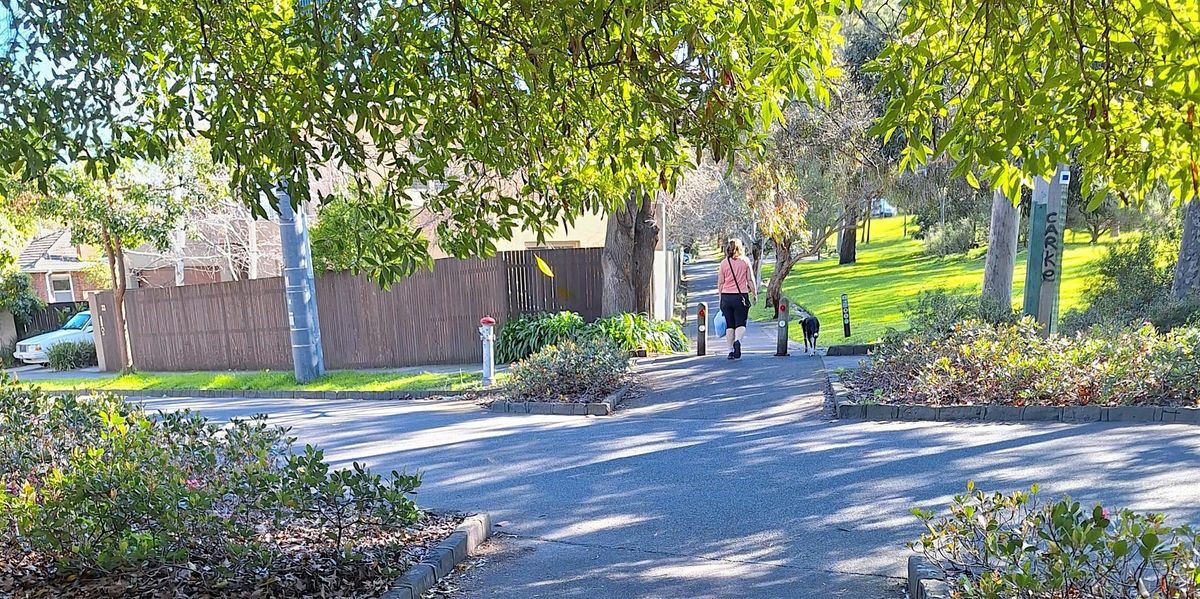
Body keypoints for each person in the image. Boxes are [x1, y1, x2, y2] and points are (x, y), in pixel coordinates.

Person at [716, 238, 756, 359]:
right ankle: (738, 341)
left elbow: (720, 283)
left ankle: (730, 350)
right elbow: (750, 279)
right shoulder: (745, 261)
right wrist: (754, 293)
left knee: (729, 325)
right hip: (741, 296)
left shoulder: (723, 263)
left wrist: (720, 297)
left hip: (726, 297)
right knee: (741, 323)